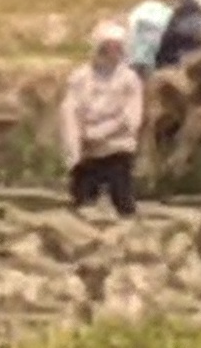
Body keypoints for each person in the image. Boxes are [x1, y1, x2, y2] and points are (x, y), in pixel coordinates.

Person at [58, 21, 147, 217]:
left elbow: (131, 119)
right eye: (107, 48)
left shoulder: (129, 80)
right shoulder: (80, 78)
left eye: (117, 48)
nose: (112, 53)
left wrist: (101, 133)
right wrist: (74, 147)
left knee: (123, 202)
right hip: (87, 151)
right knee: (82, 205)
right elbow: (69, 113)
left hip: (117, 148)